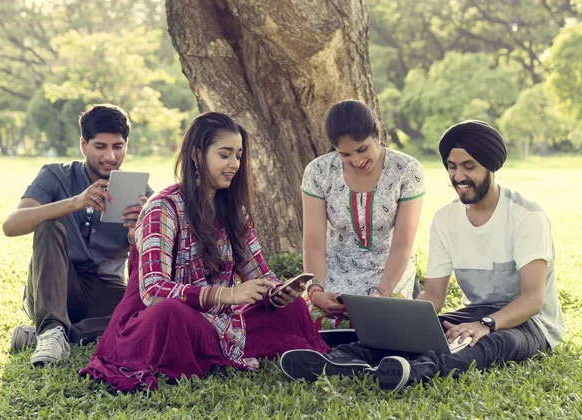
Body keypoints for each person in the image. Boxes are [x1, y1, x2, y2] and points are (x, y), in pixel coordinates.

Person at [280, 120, 566, 391]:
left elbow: (532, 299)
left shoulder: (526, 216)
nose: (459, 176)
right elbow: (433, 295)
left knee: (491, 344)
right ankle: (343, 359)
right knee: (434, 331)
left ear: (491, 166)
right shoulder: (445, 219)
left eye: (469, 167)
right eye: (452, 167)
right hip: (476, 314)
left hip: (532, 323)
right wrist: (403, 323)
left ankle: (418, 371)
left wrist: (486, 325)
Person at [79, 112, 329, 392]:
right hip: (159, 320)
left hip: (218, 320)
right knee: (171, 313)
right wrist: (228, 294)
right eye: (225, 155)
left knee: (291, 307)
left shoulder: (235, 212)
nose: (234, 164)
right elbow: (152, 290)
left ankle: (222, 350)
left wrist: (277, 291)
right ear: (197, 155)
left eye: (238, 155)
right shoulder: (163, 207)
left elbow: (261, 273)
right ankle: (215, 351)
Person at [3, 104, 153, 366]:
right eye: (100, 146)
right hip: (56, 287)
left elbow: (158, 264)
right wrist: (73, 203)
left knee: (151, 312)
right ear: (83, 145)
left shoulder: (142, 195)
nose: (110, 156)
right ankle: (51, 330)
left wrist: (136, 233)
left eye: (117, 147)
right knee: (49, 226)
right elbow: (11, 226)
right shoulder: (55, 176)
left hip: (105, 291)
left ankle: (53, 334)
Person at [301, 100, 425, 331]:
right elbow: (314, 243)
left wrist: (382, 293)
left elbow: (402, 246)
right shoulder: (318, 171)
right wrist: (316, 290)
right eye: (345, 154)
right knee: (316, 323)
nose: (357, 161)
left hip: (387, 269)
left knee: (380, 323)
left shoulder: (407, 170)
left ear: (376, 133)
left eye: (362, 149)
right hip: (335, 267)